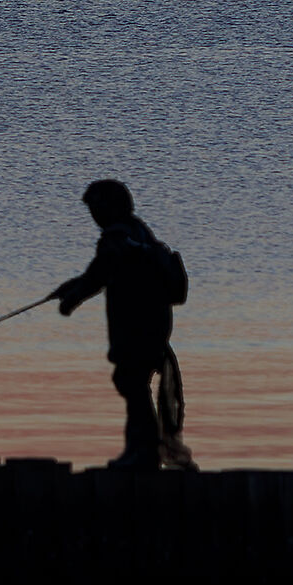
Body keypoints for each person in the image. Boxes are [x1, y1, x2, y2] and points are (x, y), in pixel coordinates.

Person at [51, 179, 194, 470]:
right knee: (133, 382)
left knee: (131, 382)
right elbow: (103, 272)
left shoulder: (116, 238)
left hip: (137, 327)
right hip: (155, 325)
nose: (93, 215)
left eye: (95, 208)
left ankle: (143, 452)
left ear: (108, 207)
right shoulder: (139, 233)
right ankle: (141, 450)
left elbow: (98, 276)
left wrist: (71, 300)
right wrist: (73, 286)